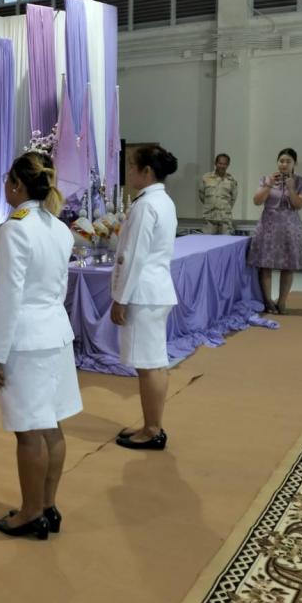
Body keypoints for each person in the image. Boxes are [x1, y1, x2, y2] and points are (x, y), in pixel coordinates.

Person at [0, 152, 80, 540]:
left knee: (28, 432)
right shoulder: (58, 228)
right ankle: (48, 505)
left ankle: (30, 512)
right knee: (51, 426)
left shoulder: (16, 229)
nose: (5, 186)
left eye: (8, 180)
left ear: (17, 185)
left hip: (25, 340)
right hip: (55, 334)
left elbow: (7, 297)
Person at [111, 145, 179, 451]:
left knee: (150, 364)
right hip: (155, 289)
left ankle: (152, 429)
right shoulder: (162, 200)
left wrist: (120, 298)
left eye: (131, 165)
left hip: (143, 292)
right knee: (153, 362)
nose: (129, 171)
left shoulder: (146, 205)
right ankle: (151, 423)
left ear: (147, 171)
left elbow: (133, 256)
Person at [248, 148, 302, 313]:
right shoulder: (266, 179)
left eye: (288, 161)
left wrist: (291, 189)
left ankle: (282, 302)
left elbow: (299, 205)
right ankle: (268, 301)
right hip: (268, 226)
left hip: (290, 227)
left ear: (294, 163)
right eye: (281, 161)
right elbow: (256, 201)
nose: (284, 164)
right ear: (277, 162)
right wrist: (269, 185)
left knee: (288, 266)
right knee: (265, 265)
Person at [198, 153, 238, 235]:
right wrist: (211, 205)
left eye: (225, 164)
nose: (222, 166)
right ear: (215, 163)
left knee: (226, 241)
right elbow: (201, 195)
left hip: (225, 219)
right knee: (207, 242)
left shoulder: (231, 180)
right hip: (209, 218)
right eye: (220, 163)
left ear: (228, 165)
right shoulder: (206, 178)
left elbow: (233, 198)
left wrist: (224, 208)